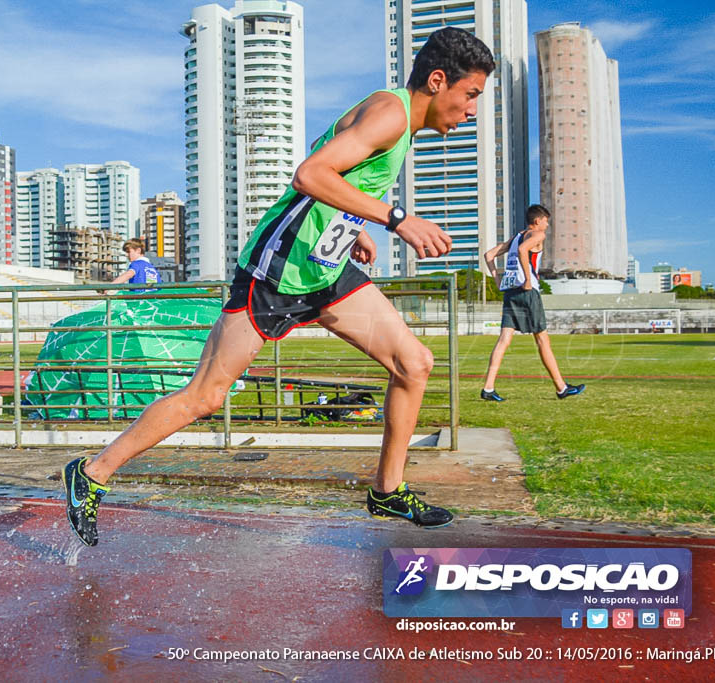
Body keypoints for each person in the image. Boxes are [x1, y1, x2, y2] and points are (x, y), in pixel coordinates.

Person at [59, 26, 495, 546]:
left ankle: (387, 489)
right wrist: (394, 218)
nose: (471, 111)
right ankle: (92, 472)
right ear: (438, 80)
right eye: (470, 95)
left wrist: (353, 229)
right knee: (206, 395)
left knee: (414, 363)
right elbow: (309, 174)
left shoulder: (395, 118)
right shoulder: (392, 113)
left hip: (325, 270)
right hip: (277, 271)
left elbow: (339, 176)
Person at [480, 204, 585, 402]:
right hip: (528, 292)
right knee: (542, 340)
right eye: (546, 221)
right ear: (537, 221)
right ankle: (561, 388)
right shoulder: (537, 235)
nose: (547, 225)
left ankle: (488, 387)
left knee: (504, 340)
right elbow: (523, 250)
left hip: (511, 292)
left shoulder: (516, 236)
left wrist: (497, 280)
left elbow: (489, 255)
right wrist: (528, 280)